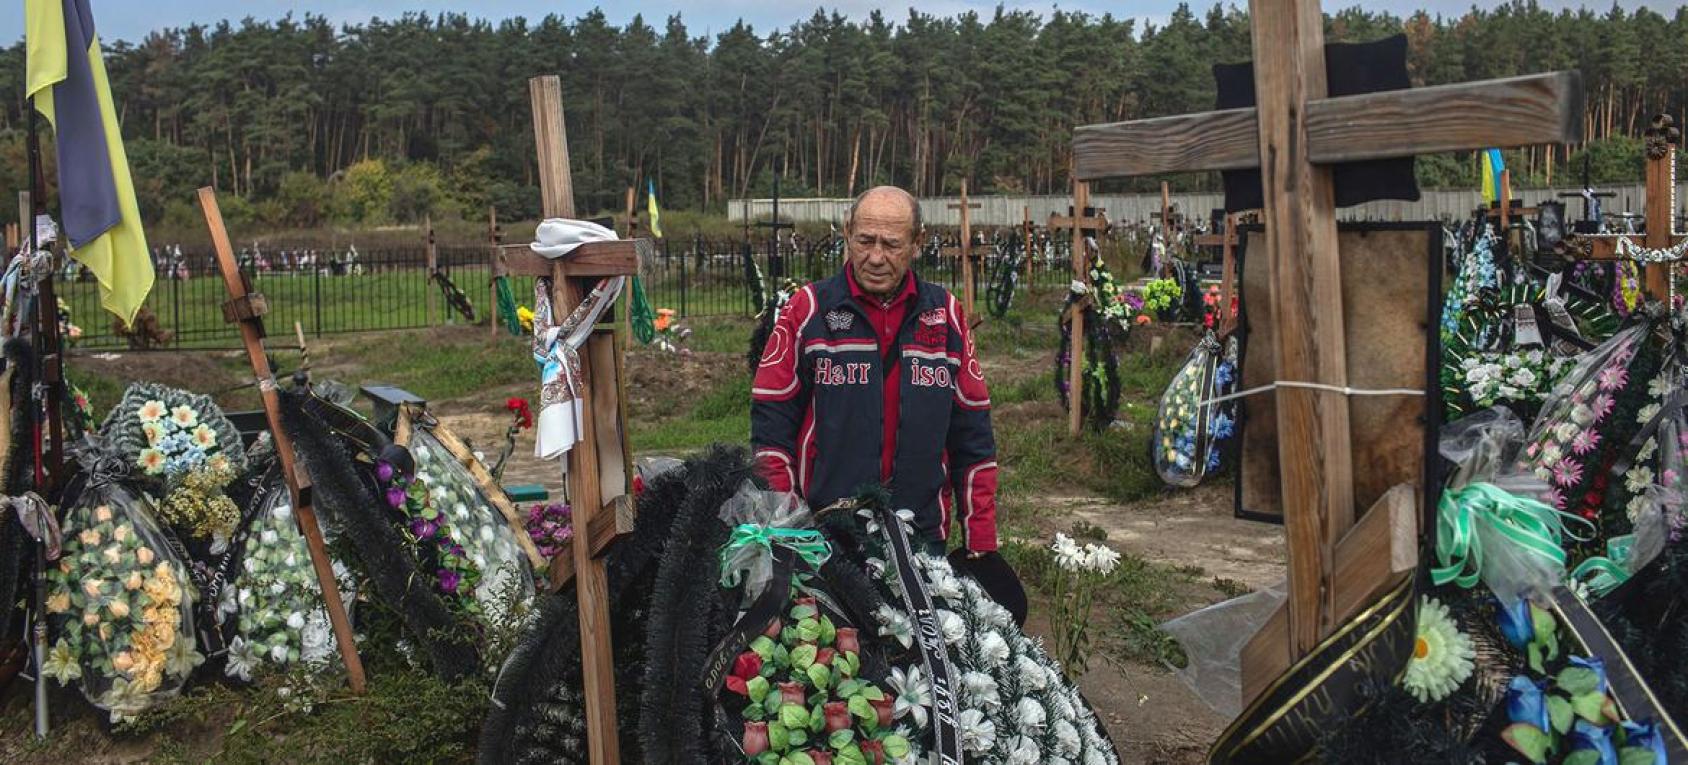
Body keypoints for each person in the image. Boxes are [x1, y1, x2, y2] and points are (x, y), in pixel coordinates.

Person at [751, 186, 999, 559]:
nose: (876, 257)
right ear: (847, 232)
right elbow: (771, 433)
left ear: (918, 243)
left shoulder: (945, 316)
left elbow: (973, 436)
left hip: (921, 535)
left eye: (892, 244)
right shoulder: (808, 311)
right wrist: (788, 526)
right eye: (864, 241)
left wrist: (981, 541)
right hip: (823, 536)